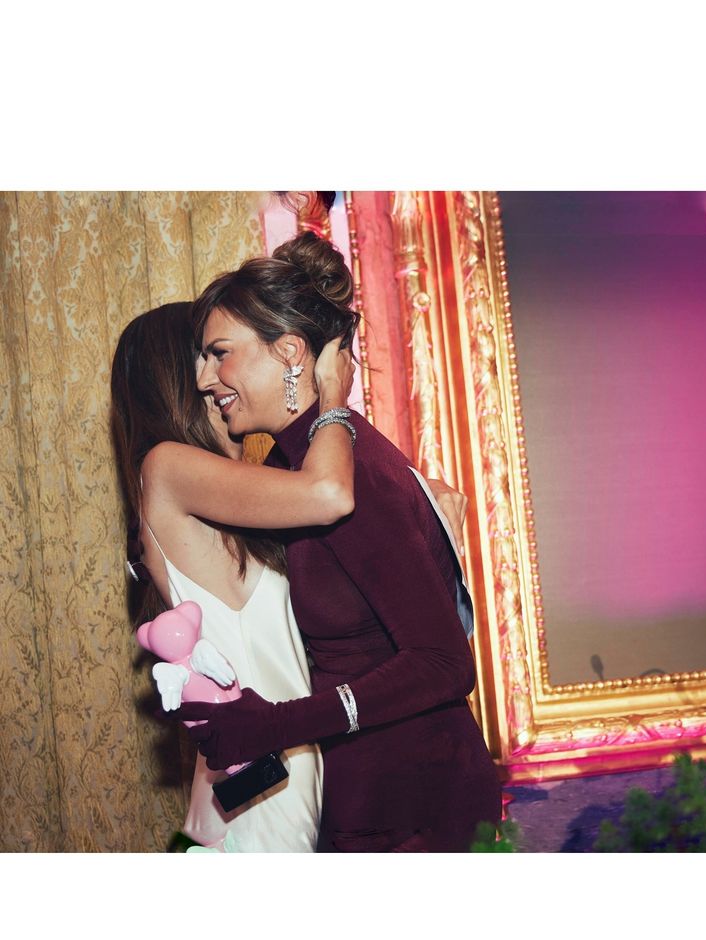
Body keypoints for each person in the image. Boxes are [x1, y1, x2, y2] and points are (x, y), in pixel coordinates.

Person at [178, 231, 502, 852]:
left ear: (290, 351)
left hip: (415, 801)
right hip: (372, 787)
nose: (206, 379)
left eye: (220, 354)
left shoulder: (350, 474)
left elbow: (444, 662)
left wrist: (276, 724)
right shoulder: (295, 467)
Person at [111, 300, 470, 852]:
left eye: (220, 355)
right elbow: (329, 495)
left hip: (299, 755)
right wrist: (332, 400)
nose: (214, 376)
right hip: (269, 774)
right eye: (205, 357)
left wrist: (435, 534)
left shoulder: (243, 487)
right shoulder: (167, 467)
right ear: (177, 378)